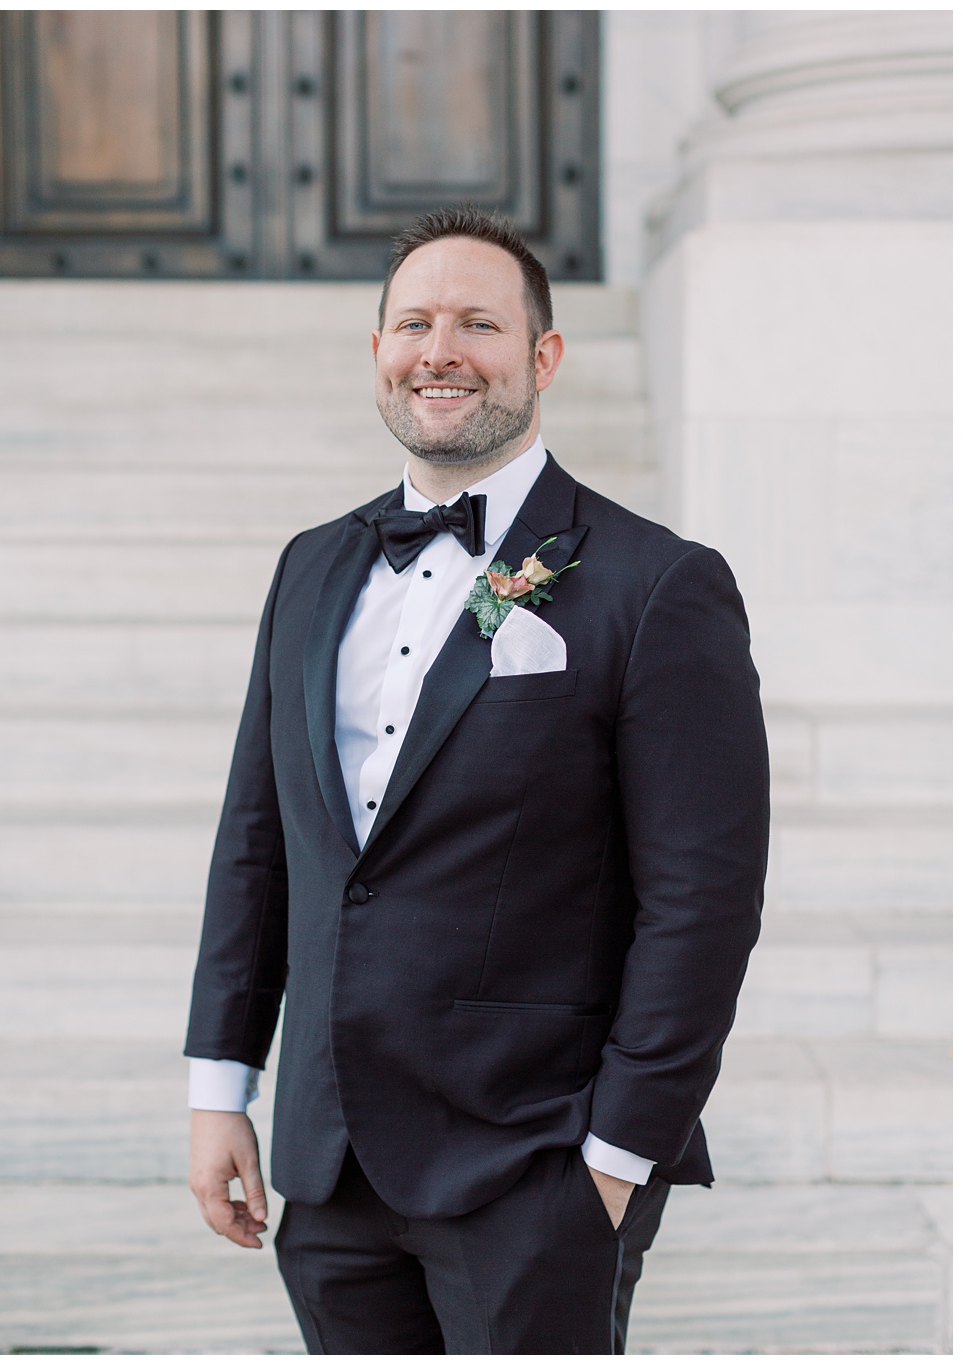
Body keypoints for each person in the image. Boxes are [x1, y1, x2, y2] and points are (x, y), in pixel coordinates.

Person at [184, 207, 770, 1353]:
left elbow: (701, 905)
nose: (437, 351)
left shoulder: (658, 585)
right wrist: (221, 1087)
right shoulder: (310, 566)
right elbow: (257, 841)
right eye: (412, 322)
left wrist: (612, 1160)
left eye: (476, 324)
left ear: (541, 357)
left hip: (536, 1163)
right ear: (376, 352)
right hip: (330, 1159)